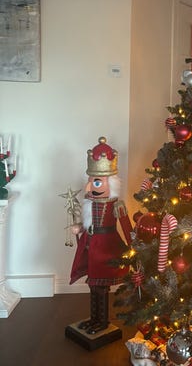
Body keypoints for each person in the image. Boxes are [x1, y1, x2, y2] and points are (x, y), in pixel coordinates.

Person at [70, 137, 133, 335]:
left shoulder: (116, 205)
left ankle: (103, 322)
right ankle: (94, 319)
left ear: (110, 184)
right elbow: (88, 224)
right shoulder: (89, 203)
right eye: (90, 181)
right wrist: (79, 228)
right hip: (91, 248)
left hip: (107, 250)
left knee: (101, 287)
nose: (89, 187)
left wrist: (134, 247)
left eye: (96, 182)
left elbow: (126, 227)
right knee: (92, 285)